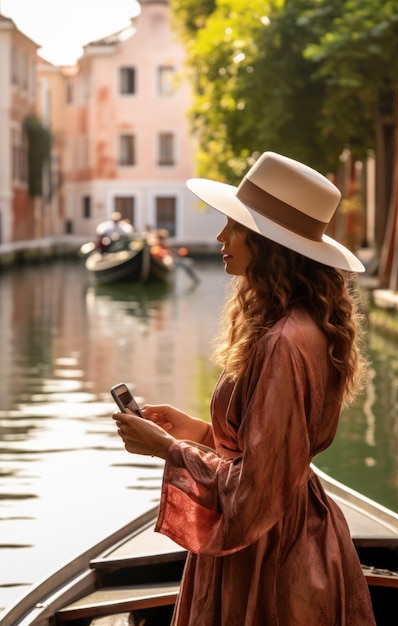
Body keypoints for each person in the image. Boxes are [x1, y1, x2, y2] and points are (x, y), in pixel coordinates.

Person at [113, 151, 376, 625]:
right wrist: (197, 431)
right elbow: (272, 448)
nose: (220, 237)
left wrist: (169, 450)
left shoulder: (282, 342)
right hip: (298, 533)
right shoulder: (303, 325)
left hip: (269, 555)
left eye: (234, 226)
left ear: (268, 243)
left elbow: (255, 490)